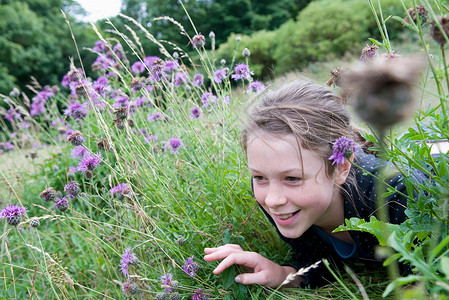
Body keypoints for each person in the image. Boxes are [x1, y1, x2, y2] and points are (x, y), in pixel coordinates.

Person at [203, 80, 428, 288]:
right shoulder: (282, 202)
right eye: (260, 177)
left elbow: (428, 277)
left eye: (292, 179)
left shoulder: (394, 192)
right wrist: (283, 275)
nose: (272, 199)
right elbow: (319, 260)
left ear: (341, 168)